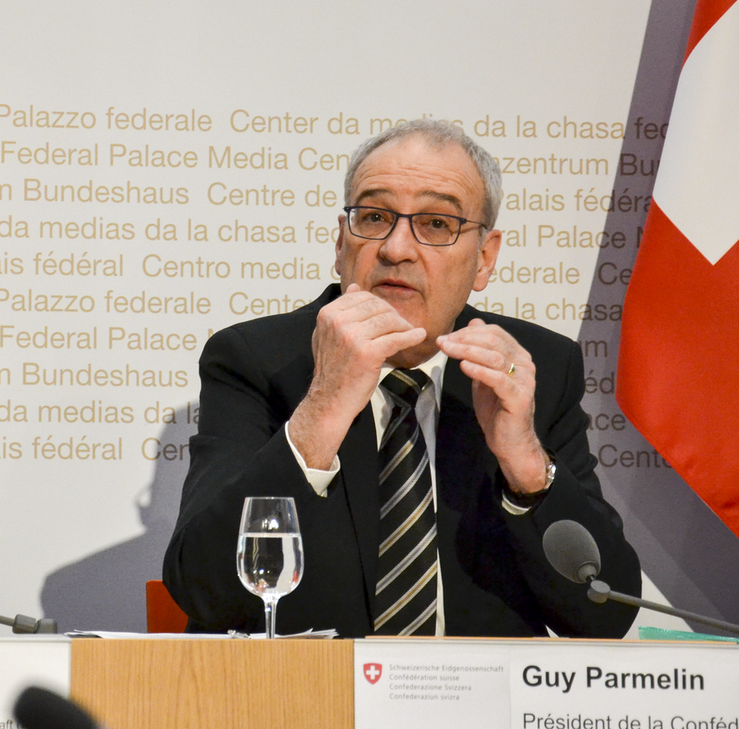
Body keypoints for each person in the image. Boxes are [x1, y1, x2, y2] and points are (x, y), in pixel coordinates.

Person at [163, 119, 640, 637]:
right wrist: (323, 408)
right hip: (317, 687)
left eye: (436, 224)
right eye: (374, 217)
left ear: (484, 259)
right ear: (341, 244)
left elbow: (606, 612)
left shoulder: (532, 368)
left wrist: (524, 463)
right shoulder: (258, 360)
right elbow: (203, 589)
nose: (396, 249)